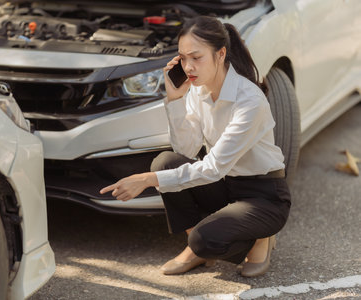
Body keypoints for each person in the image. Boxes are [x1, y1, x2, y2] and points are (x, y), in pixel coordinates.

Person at [100, 16, 291, 277]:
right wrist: (175, 100)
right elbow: (186, 151)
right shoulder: (198, 92)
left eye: (196, 57)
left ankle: (260, 238)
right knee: (165, 162)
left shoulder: (249, 101)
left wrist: (147, 179)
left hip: (263, 195)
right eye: (183, 58)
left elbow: (212, 168)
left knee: (205, 238)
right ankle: (198, 251)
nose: (188, 67)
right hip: (226, 184)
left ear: (221, 53)